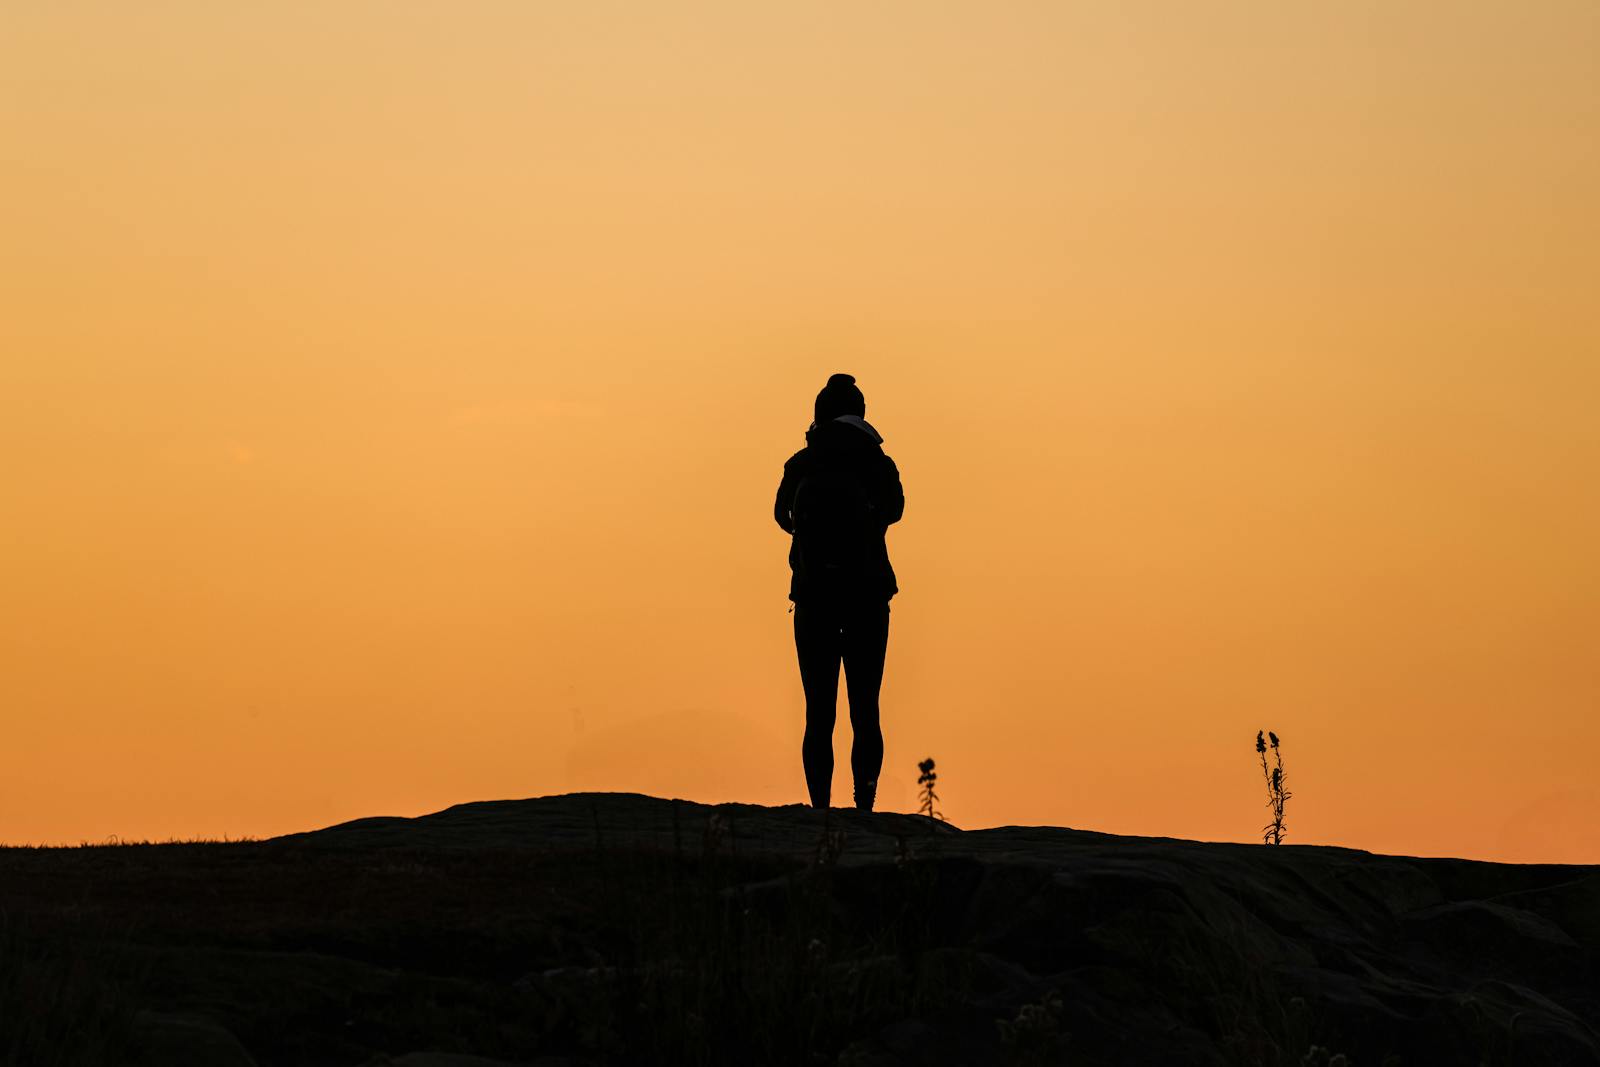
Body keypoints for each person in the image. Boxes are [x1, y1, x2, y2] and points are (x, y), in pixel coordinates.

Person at [774, 373, 904, 812]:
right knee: (866, 709)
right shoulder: (877, 461)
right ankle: (864, 805)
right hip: (868, 597)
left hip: (814, 598)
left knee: (819, 713)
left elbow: (781, 516)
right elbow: (896, 511)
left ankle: (820, 810)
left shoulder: (802, 462)